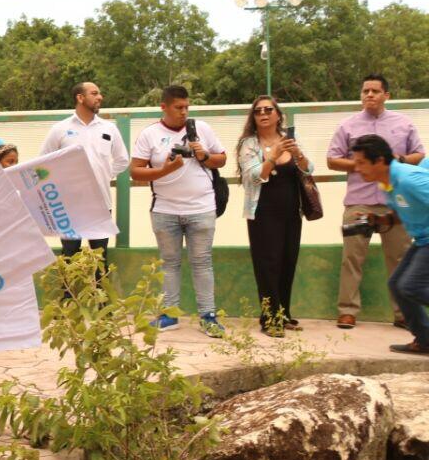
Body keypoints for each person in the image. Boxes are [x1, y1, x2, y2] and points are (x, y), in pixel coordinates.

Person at [327, 74, 425, 330]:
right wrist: (363, 166)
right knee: (352, 258)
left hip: (396, 204)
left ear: (386, 96)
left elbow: (419, 154)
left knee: (399, 259)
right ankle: (347, 311)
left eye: (375, 91)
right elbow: (332, 160)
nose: (369, 95)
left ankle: (402, 314)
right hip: (359, 202)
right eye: (365, 91)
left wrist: (397, 161)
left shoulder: (403, 123)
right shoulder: (347, 125)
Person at [130, 85, 227, 338]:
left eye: (187, 107)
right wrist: (165, 170)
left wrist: (204, 155)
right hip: (165, 210)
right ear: (164, 107)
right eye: (178, 107)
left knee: (202, 263)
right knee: (170, 264)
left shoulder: (202, 129)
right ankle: (169, 315)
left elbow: (222, 159)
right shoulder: (149, 134)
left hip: (202, 208)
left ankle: (208, 316)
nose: (184, 112)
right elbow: (135, 171)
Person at [236, 96, 313, 336]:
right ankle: (269, 320)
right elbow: (252, 176)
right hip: (262, 212)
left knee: (287, 262)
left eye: (269, 109)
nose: (264, 114)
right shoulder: (249, 144)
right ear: (253, 117)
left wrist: (297, 153)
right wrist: (272, 155)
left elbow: (309, 169)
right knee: (267, 265)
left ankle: (284, 313)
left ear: (278, 114)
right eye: (258, 111)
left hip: (291, 211)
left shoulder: (290, 139)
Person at [346, 135, 429, 356]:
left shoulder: (410, 179)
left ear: (380, 161)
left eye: (361, 162)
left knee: (410, 286)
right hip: (422, 239)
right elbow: (403, 212)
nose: (357, 168)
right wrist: (377, 219)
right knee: (397, 285)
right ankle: (425, 340)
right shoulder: (387, 183)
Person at [40, 82, 129, 268]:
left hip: (100, 204)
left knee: (100, 259)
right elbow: (43, 163)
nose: (100, 97)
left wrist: (103, 175)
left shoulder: (109, 128)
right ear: (80, 98)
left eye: (100, 93)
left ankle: (101, 298)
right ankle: (68, 297)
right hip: (69, 206)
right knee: (70, 258)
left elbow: (122, 160)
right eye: (94, 93)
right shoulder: (60, 129)